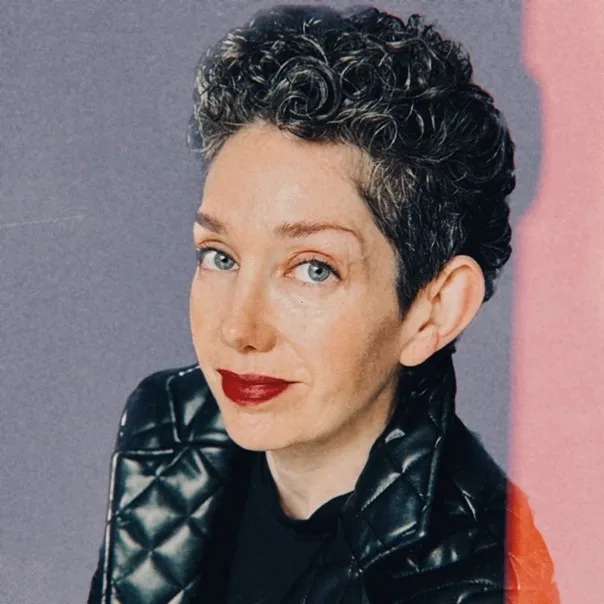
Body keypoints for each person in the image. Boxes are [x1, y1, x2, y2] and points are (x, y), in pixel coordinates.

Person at [88, 5, 559, 603]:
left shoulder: (489, 575)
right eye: (220, 256)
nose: (239, 328)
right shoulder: (168, 423)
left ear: (434, 309)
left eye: (313, 269)